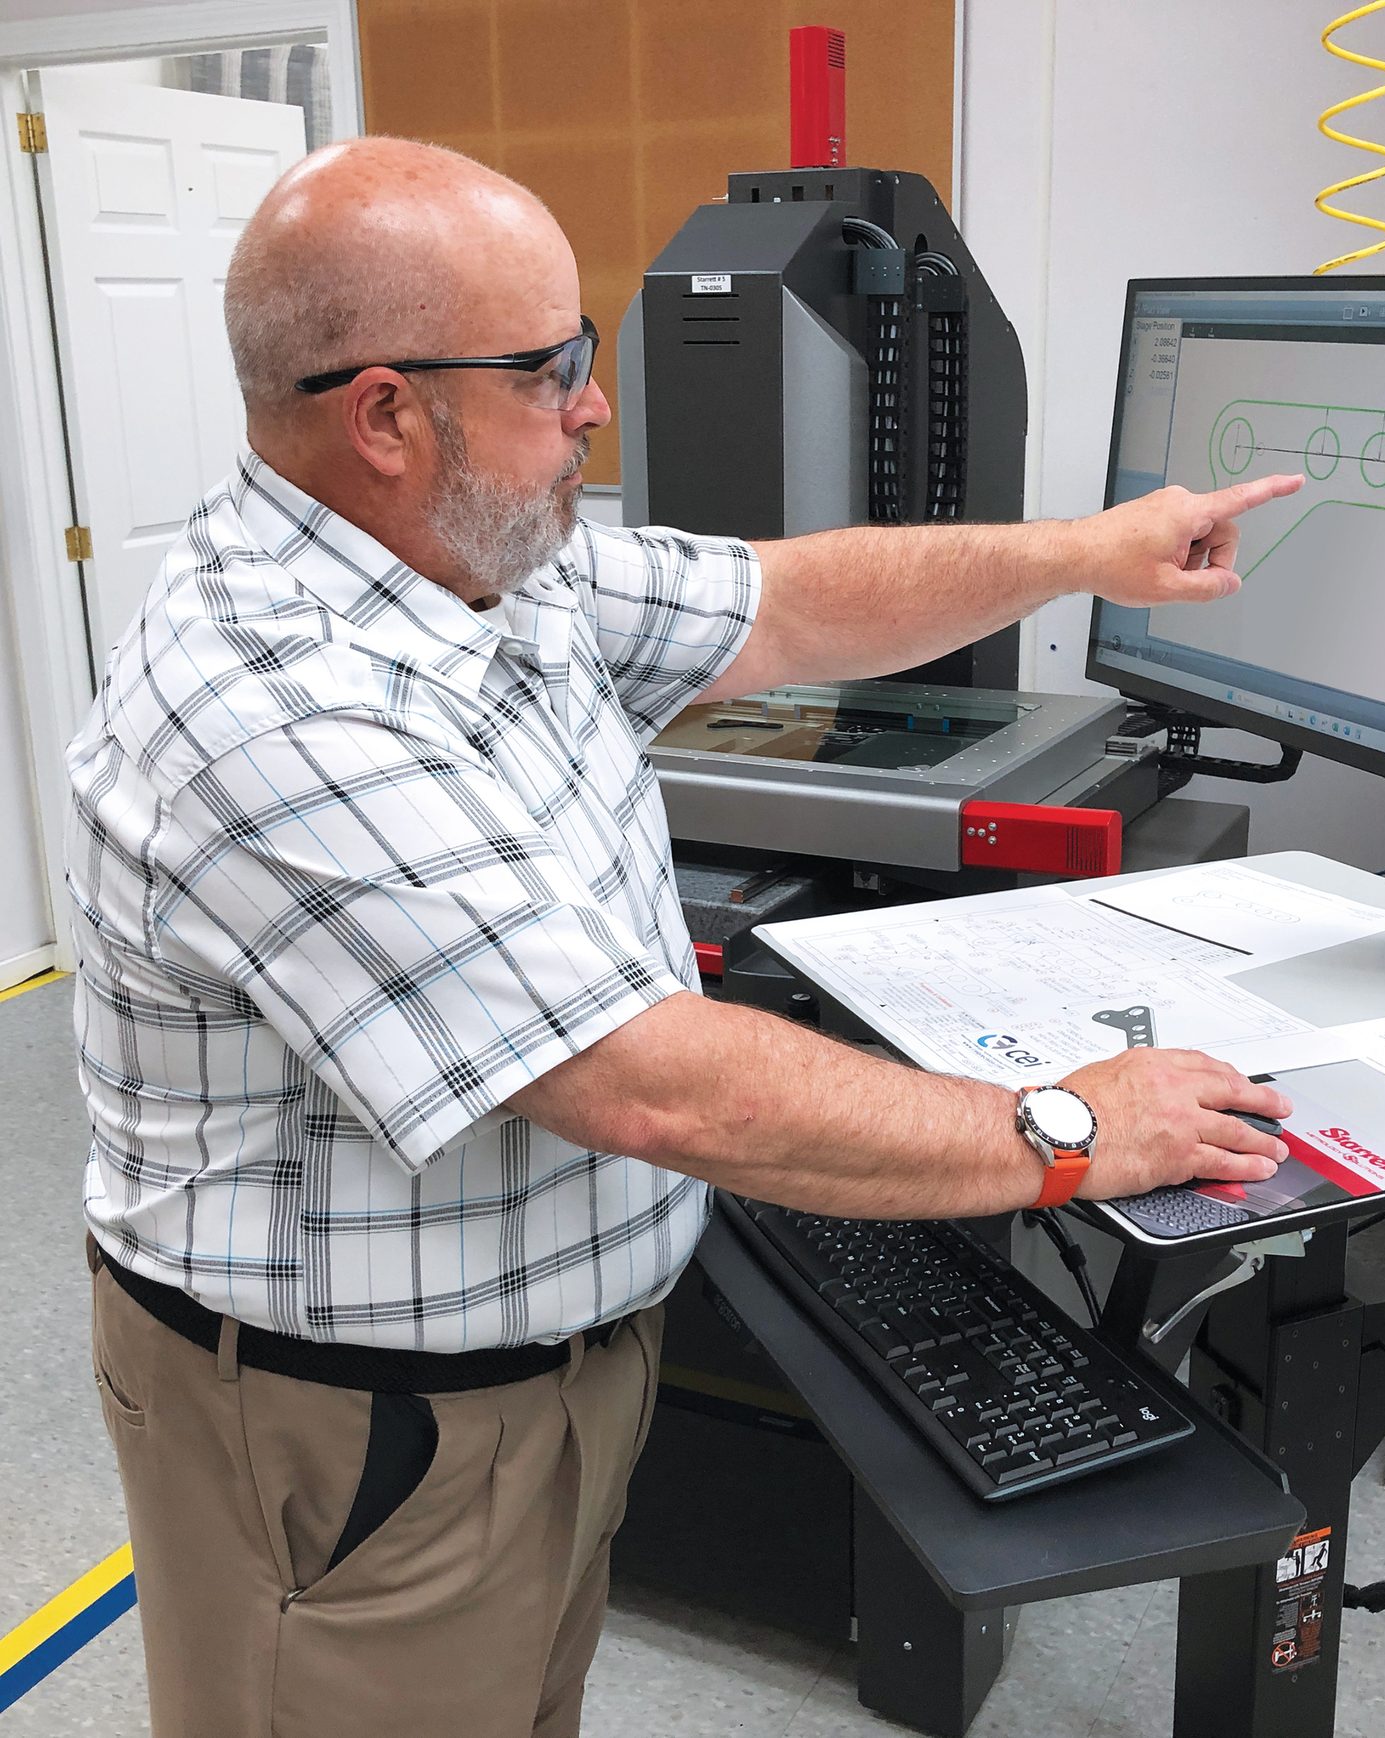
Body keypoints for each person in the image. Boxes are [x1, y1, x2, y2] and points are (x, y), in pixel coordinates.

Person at [66, 136, 1302, 1738]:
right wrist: (1068, 1126)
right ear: (383, 416)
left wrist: (1084, 552)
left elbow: (789, 603)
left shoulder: (488, 565)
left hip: (545, 1380)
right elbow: (655, 1090)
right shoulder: (268, 703)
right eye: (551, 369)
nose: (593, 406)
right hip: (354, 1438)